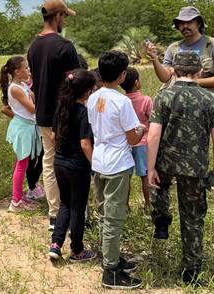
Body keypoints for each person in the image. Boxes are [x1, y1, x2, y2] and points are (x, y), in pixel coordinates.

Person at [146, 51, 214, 286]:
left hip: (166, 161)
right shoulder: (209, 99)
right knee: (193, 218)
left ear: (174, 70)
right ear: (200, 71)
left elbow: (153, 135)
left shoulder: (164, 96)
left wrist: (150, 168)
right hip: (195, 167)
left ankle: (162, 219)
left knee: (159, 185)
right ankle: (191, 271)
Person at [86, 51, 144, 290]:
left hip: (99, 161)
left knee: (104, 214)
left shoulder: (93, 97)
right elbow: (132, 138)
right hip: (117, 165)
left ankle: (110, 257)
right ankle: (110, 271)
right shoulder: (122, 102)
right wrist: (141, 130)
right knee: (114, 217)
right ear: (122, 75)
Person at [27, 0, 81, 230]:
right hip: (64, 114)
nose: (64, 21)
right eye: (64, 17)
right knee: (70, 163)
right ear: (58, 16)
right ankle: (73, 213)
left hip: (42, 114)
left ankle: (55, 214)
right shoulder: (65, 46)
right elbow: (76, 83)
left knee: (49, 163)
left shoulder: (33, 47)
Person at [48, 70, 98, 263]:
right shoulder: (83, 112)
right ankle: (77, 250)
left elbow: (53, 136)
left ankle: (56, 244)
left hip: (60, 163)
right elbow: (85, 143)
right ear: (86, 92)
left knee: (65, 203)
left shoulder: (61, 108)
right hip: (77, 166)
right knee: (77, 207)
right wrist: (95, 165)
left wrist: (62, 153)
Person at [146, 6, 214, 106]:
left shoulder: (213, 45)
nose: (185, 26)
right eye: (181, 23)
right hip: (179, 103)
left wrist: (193, 82)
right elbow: (165, 78)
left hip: (208, 103)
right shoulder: (173, 48)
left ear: (199, 23)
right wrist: (154, 58)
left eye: (190, 22)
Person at [0, 56, 41, 212]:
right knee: (21, 165)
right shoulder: (15, 88)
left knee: (22, 164)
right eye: (26, 68)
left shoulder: (22, 85)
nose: (29, 70)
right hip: (22, 129)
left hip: (27, 127)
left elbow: (34, 98)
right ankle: (15, 202)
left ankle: (18, 196)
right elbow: (32, 108)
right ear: (17, 72)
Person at [120, 67, 153, 210]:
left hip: (126, 143)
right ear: (136, 82)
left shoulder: (121, 100)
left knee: (126, 177)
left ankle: (125, 205)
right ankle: (148, 205)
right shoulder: (146, 100)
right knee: (145, 176)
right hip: (143, 143)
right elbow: (153, 121)